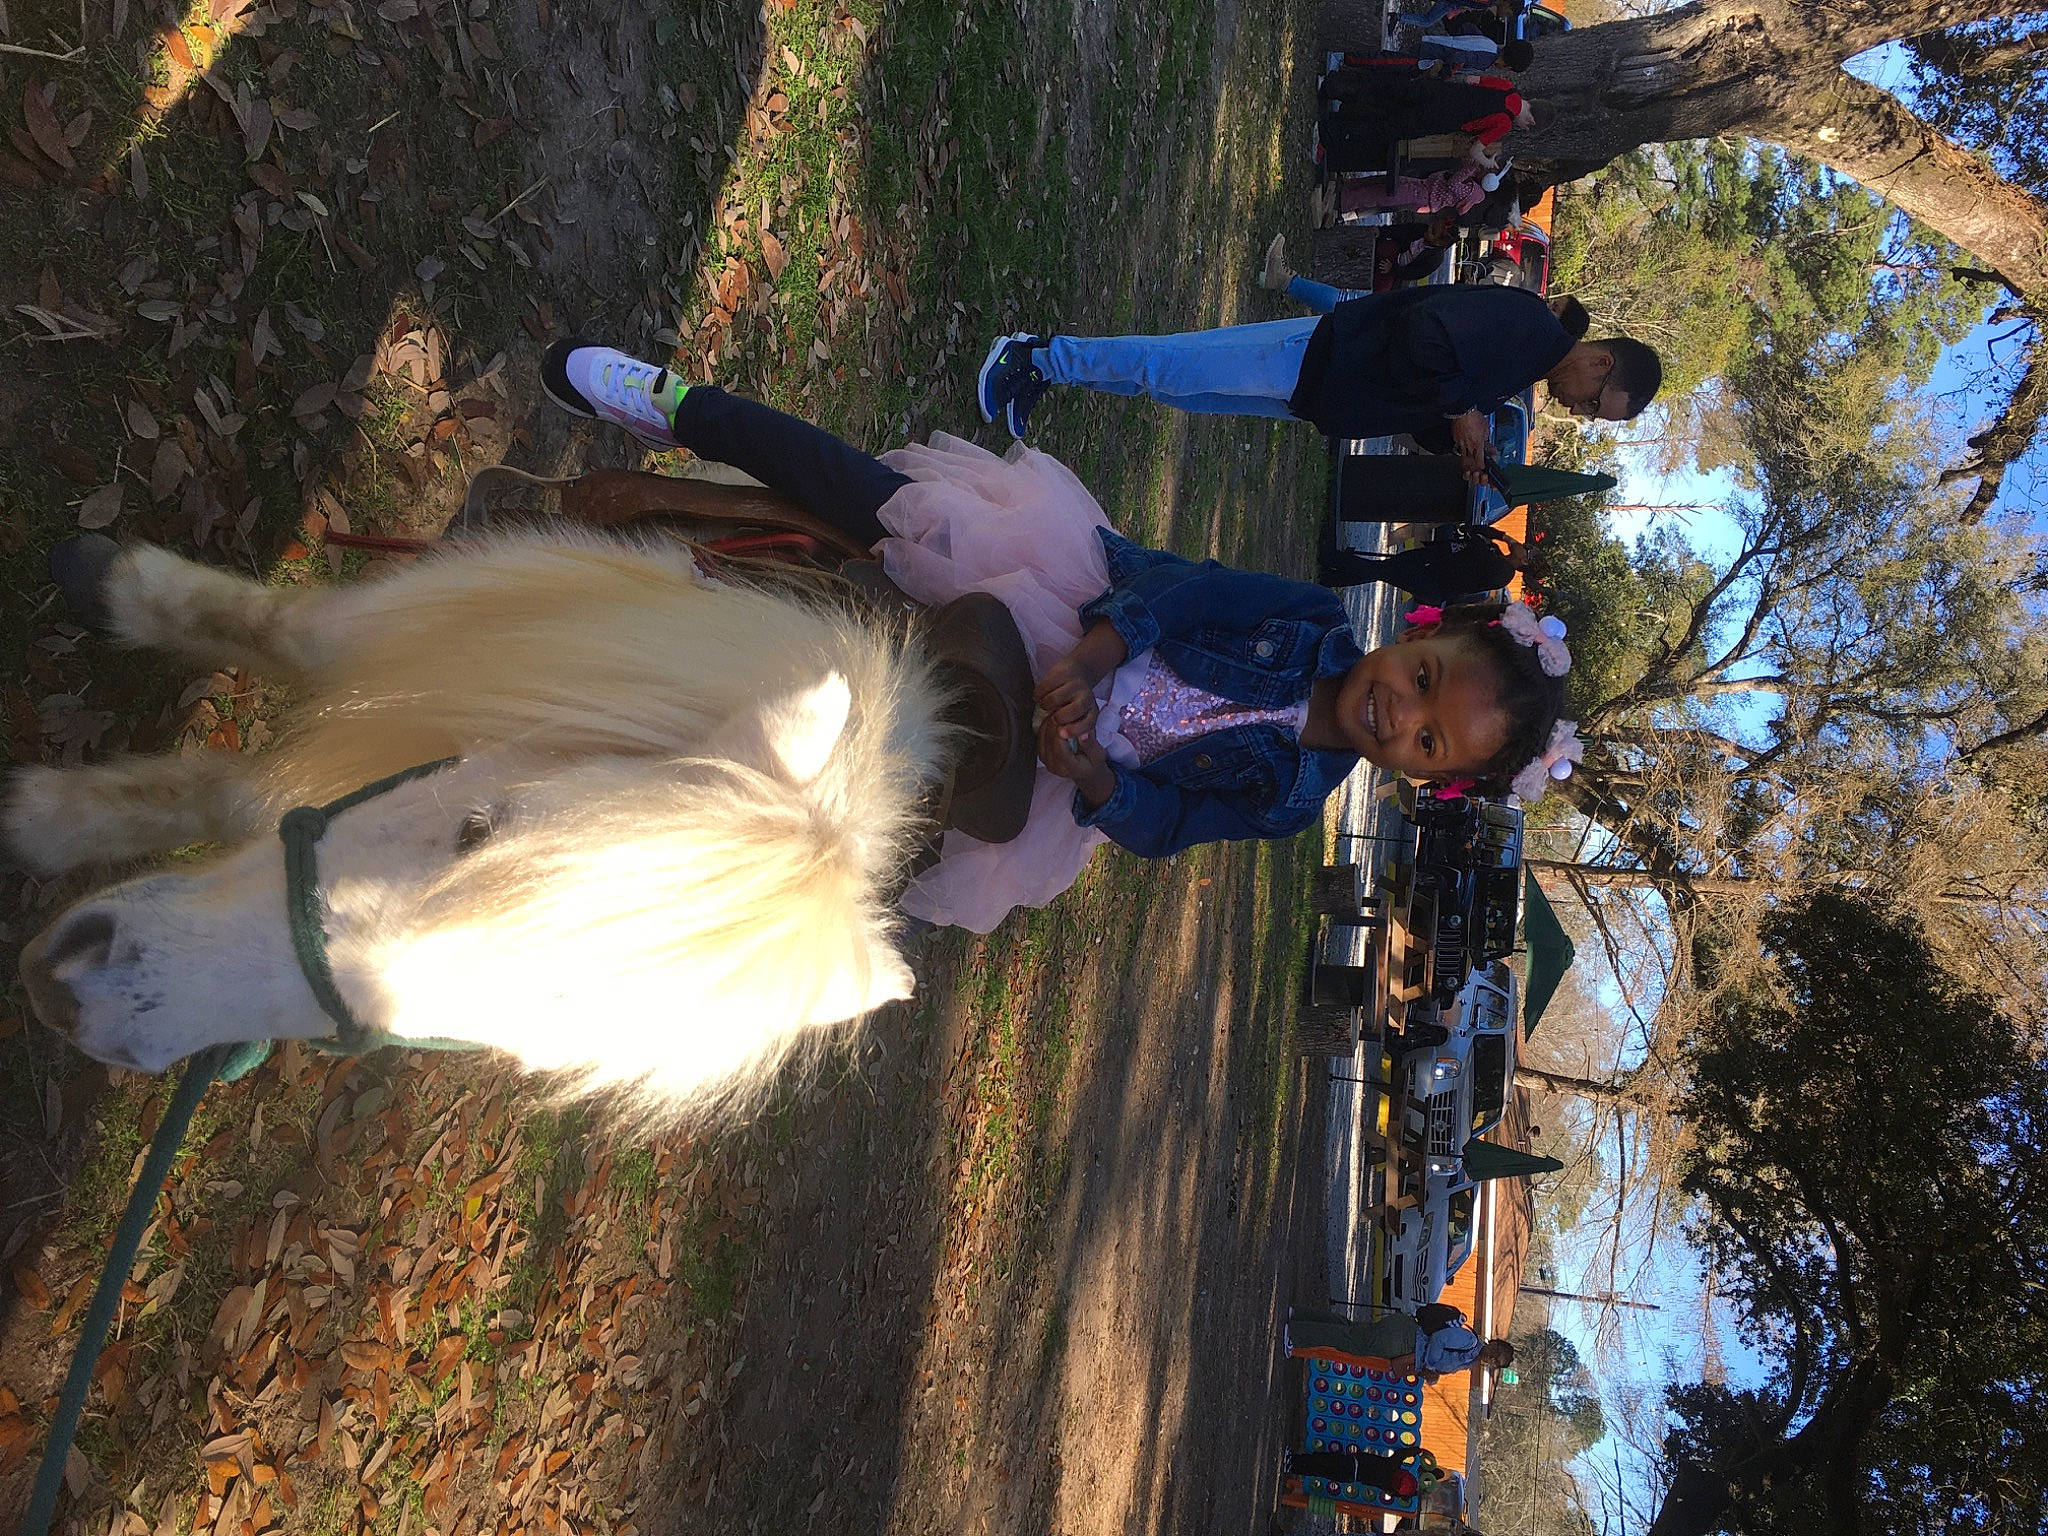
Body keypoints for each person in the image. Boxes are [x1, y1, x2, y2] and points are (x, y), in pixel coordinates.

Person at [542, 343, 1578, 932]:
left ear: (1419, 775)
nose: (1400, 708)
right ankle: (682, 407)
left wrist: (1090, 778)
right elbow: (1188, 593)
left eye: (1427, 739)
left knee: (860, 824)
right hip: (1062, 606)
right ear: (1419, 635)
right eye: (1425, 676)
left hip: (1047, 764)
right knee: (860, 497)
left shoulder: (1288, 801)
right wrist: (1093, 656)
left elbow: (1166, 823)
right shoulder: (1314, 623)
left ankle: (637, 733)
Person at [977, 287, 1663, 480]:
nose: (1581, 411)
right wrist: (1461, 408)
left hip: (1315, 396)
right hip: (1318, 356)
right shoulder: (1523, 325)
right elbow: (1420, 332)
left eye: (1593, 418)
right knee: (1170, 365)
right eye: (1595, 404)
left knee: (1172, 391)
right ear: (1600, 362)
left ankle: (1053, 373)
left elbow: (1421, 402)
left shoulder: (1523, 375)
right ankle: (1037, 357)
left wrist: (1454, 445)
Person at [1286, 1305, 1517, 1384]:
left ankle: (1299, 1316)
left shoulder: (1469, 1362)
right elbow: (1439, 1339)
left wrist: (1432, 1373)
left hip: (1403, 1339)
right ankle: (1296, 1333)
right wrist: (1430, 1366)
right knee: (1351, 1342)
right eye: (1496, 1352)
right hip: (1404, 1340)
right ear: (1493, 1343)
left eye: (1497, 1362)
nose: (1493, 1358)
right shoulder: (1469, 1342)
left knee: (1351, 1330)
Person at [1317, 522, 1533, 599]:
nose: (1521, 545)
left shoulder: (1503, 572)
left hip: (1431, 578)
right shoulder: (1495, 551)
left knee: (1381, 570)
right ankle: (1332, 577)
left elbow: (1476, 547)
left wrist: (1496, 541)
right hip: (1430, 562)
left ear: (1523, 561)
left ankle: (1330, 557)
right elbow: (1473, 529)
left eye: (1525, 550)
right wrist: (1503, 536)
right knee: (1381, 571)